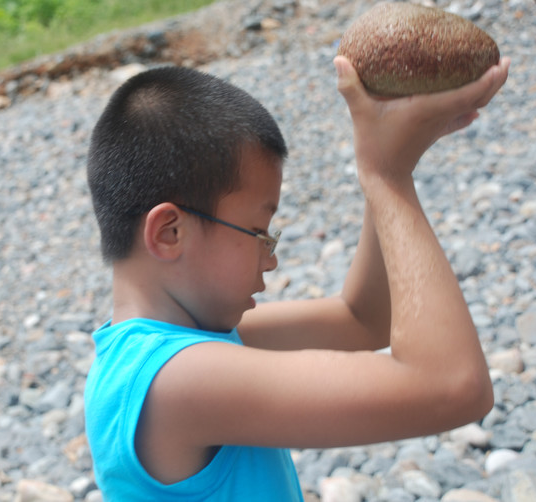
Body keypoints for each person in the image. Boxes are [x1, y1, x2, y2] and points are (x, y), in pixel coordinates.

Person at [83, 54, 510, 501]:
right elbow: (453, 387)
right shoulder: (173, 381)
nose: (271, 259)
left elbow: (363, 319)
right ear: (169, 233)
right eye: (258, 232)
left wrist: (397, 157)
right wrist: (386, 177)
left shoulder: (181, 347)